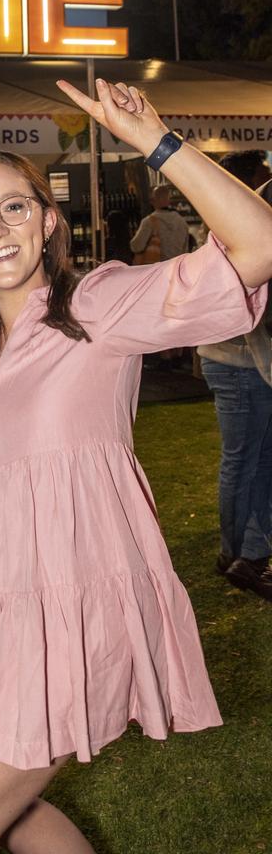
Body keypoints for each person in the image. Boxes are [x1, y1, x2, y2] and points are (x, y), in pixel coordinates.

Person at [0, 78, 272, 854]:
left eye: (13, 207)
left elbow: (259, 247)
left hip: (69, 611)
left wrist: (157, 140)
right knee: (7, 815)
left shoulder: (98, 305)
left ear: (47, 221)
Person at [198, 154, 272, 599]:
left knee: (257, 460)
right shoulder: (250, 216)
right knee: (245, 460)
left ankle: (250, 553)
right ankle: (236, 555)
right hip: (237, 359)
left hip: (247, 358)